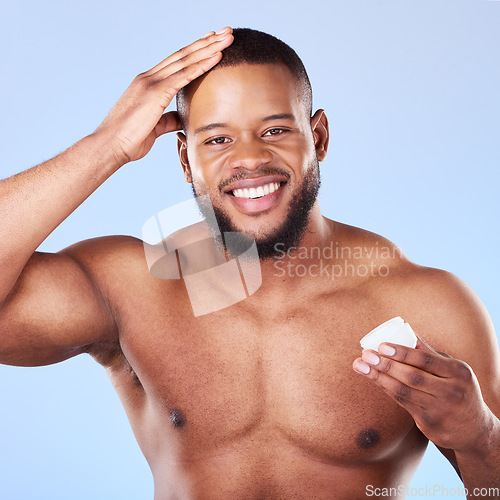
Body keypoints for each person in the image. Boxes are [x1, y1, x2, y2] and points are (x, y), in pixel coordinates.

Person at [0, 27, 499, 499]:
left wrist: (479, 435)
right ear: (184, 159)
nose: (249, 160)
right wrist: (105, 145)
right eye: (217, 139)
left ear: (318, 138)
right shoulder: (131, 287)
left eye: (276, 129)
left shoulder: (427, 306)